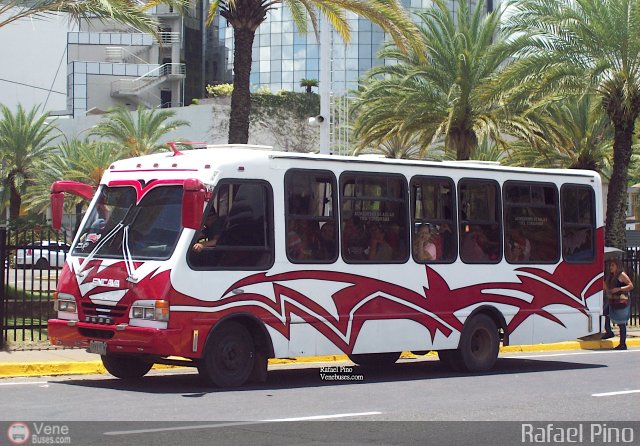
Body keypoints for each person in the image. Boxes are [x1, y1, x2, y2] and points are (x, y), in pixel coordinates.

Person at [602, 258, 633, 350]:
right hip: (612, 300)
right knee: (605, 314)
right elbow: (608, 290)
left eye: (612, 265)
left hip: (621, 301)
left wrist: (619, 289)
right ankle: (609, 332)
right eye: (610, 265)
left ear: (617, 266)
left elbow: (631, 285)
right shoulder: (610, 276)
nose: (610, 267)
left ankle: (623, 344)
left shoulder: (622, 275)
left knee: (621, 322)